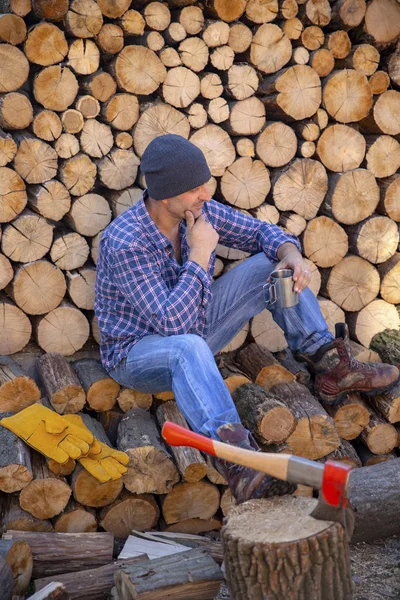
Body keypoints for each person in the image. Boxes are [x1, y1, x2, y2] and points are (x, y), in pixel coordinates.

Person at [94, 134, 399, 503]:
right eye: (194, 188)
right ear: (163, 193)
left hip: (193, 330)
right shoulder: (126, 241)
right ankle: (240, 462)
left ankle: (328, 362)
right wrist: (201, 252)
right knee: (186, 346)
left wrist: (291, 254)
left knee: (271, 264)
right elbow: (171, 326)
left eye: (204, 183)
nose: (205, 193)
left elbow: (259, 232)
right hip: (138, 355)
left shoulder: (198, 211)